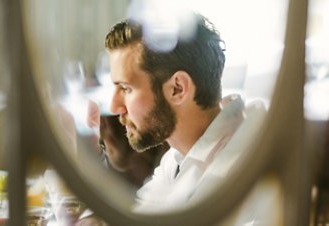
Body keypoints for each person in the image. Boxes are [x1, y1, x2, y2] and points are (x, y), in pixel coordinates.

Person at [104, 11, 246, 210]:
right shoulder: (177, 158)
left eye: (126, 88)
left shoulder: (242, 170)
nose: (114, 106)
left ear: (177, 88)